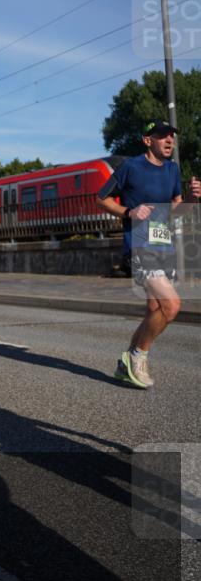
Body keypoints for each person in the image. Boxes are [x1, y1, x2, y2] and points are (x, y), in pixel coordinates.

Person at [97, 119, 200, 388]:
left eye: (172, 137)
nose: (169, 141)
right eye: (163, 136)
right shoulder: (131, 167)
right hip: (140, 245)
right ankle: (138, 356)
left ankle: (124, 364)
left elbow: (177, 211)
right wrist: (128, 212)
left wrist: (190, 199)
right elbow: (102, 198)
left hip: (164, 244)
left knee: (155, 308)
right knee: (171, 305)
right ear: (147, 140)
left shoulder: (172, 169)